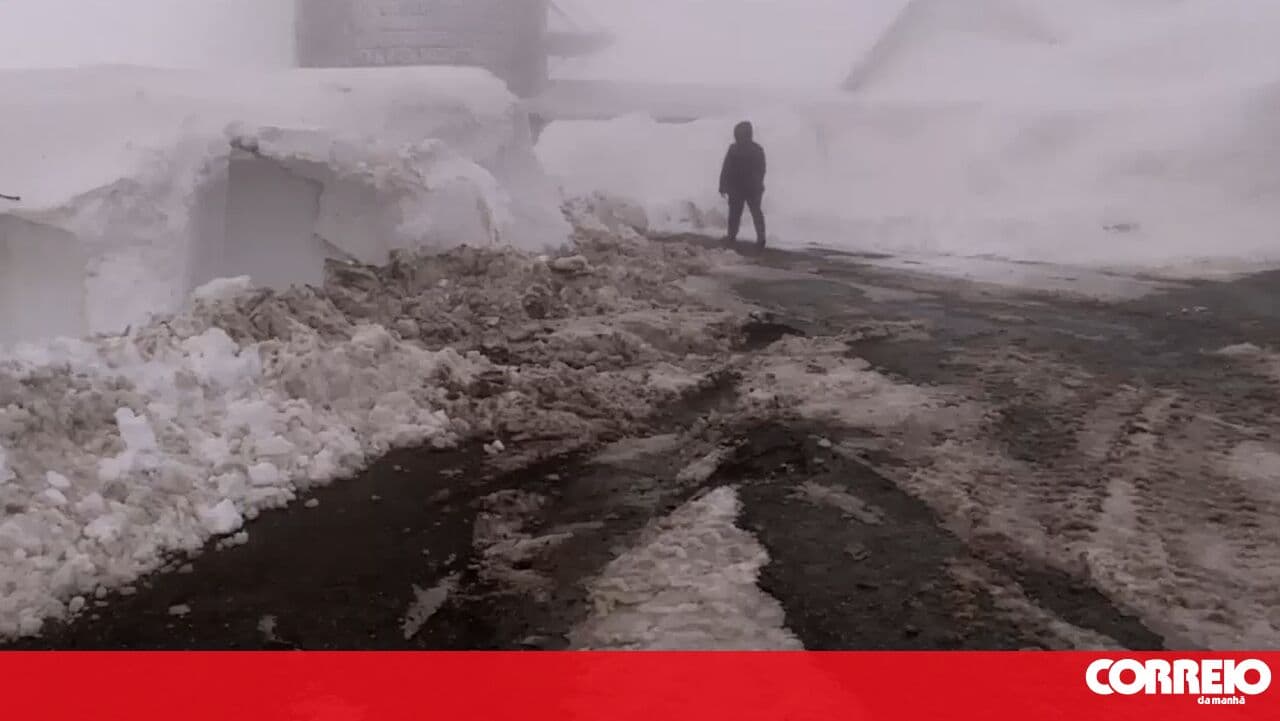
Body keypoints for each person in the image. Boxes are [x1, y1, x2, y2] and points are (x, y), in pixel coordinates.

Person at [718, 120, 767, 247]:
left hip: (741, 188)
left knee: (738, 214)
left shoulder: (735, 149)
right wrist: (758, 184)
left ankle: (733, 236)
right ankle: (759, 238)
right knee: (752, 213)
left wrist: (723, 186)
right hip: (747, 188)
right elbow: (762, 169)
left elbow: (726, 168)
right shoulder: (756, 149)